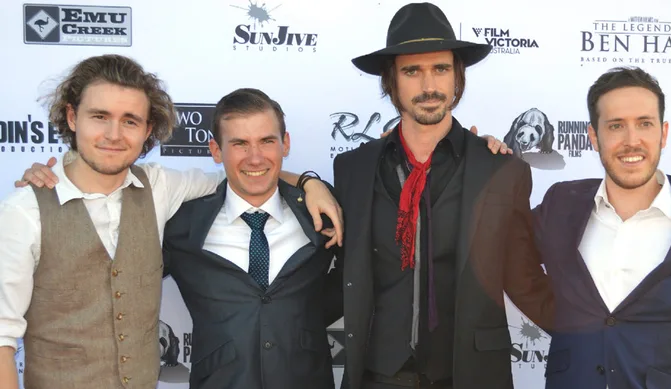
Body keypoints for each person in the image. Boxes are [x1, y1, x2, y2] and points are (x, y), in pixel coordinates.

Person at [0, 54, 341, 389]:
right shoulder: (25, 211)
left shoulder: (162, 189)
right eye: (100, 116)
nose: (114, 134)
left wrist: (311, 183)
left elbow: (248, 177)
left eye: (130, 121)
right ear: (72, 117)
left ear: (148, 128)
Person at [332, 3, 554, 389]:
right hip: (378, 374)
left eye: (440, 69)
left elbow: (523, 278)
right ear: (391, 81)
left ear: (457, 77)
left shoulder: (501, 169)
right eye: (412, 71)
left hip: (470, 374)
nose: (428, 86)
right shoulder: (353, 169)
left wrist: (596, 324)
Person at [534, 67, 671, 389]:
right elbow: (500, 245)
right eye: (616, 126)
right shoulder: (561, 204)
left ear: (663, 133)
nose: (631, 141)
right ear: (594, 137)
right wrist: (485, 160)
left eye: (644, 124)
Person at [161, 88, 343, 389]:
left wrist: (300, 320)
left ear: (285, 144)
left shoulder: (322, 214)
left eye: (267, 141)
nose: (255, 157)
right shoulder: (181, 224)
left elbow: (355, 277)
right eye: (240, 144)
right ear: (216, 150)